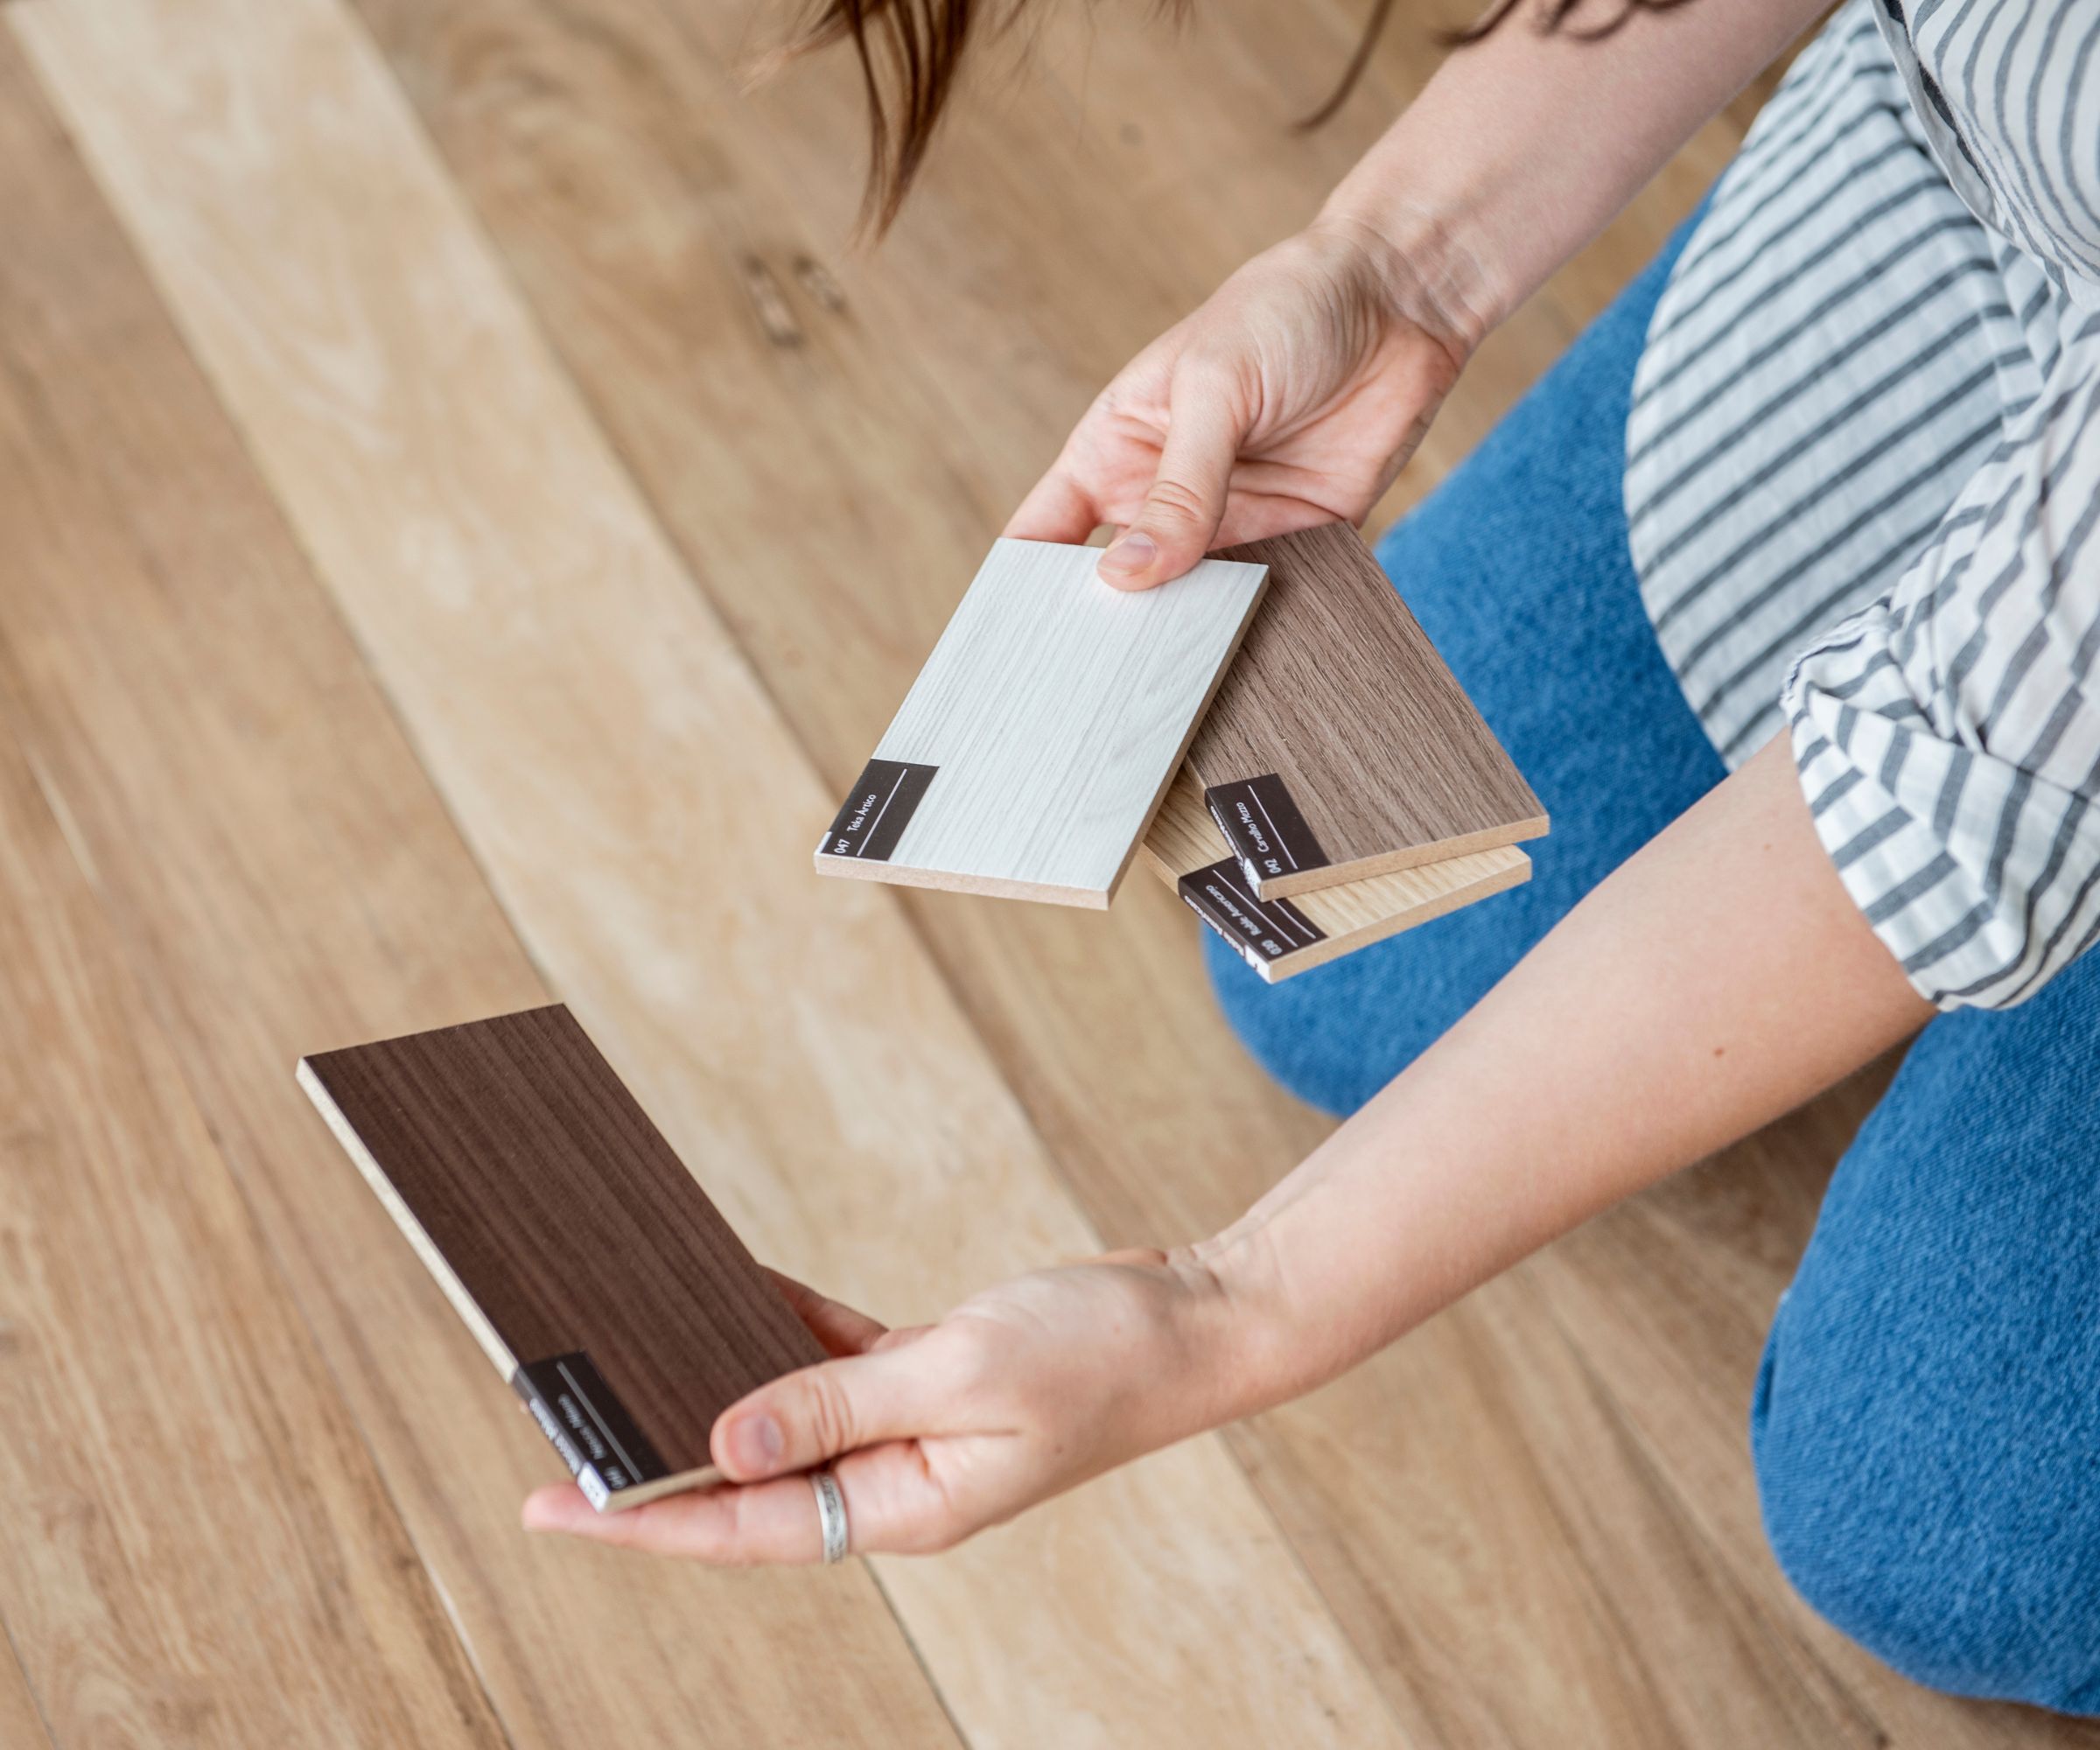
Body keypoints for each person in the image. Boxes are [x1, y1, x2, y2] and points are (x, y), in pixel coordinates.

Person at [524, 0, 2100, 1710]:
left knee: (1944, 1522)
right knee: (1354, 966)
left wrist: (1230, 1305)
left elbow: (1960, 785)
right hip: (1977, 186)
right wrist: (1389, 266)